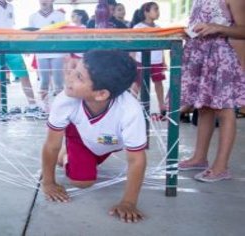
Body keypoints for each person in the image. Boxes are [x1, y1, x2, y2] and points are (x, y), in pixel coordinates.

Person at [41, 50, 147, 222]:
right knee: (82, 182)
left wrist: (129, 202)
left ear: (101, 94)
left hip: (109, 142)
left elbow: (136, 159)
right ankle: (66, 154)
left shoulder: (130, 110)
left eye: (79, 77)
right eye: (74, 69)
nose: (69, 77)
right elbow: (51, 145)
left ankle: (84, 157)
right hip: (80, 137)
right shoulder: (65, 100)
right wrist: (48, 182)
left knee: (96, 150)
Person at [178, 0, 245, 182]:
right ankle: (199, 157)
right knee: (204, 107)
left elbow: (242, 30)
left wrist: (218, 28)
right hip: (199, 54)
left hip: (219, 56)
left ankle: (221, 166)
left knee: (225, 110)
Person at [0, 0, 43, 120]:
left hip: (11, 45)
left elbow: (11, 28)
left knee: (23, 75)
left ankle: (33, 106)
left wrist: (22, 45)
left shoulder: (10, 7)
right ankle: (1, 108)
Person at [130, 2, 167, 117]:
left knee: (158, 83)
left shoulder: (159, 28)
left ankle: (162, 107)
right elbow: (133, 46)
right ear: (146, 12)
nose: (158, 12)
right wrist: (132, 60)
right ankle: (130, 105)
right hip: (141, 60)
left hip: (156, 61)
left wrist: (163, 60)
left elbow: (161, 47)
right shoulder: (138, 28)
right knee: (137, 83)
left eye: (158, 9)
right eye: (155, 9)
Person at [29, 0, 66, 112]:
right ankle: (45, 107)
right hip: (41, 52)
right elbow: (31, 35)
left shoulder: (59, 16)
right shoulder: (33, 17)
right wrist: (29, 48)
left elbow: (63, 34)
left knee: (58, 82)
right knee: (44, 81)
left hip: (57, 51)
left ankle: (60, 107)